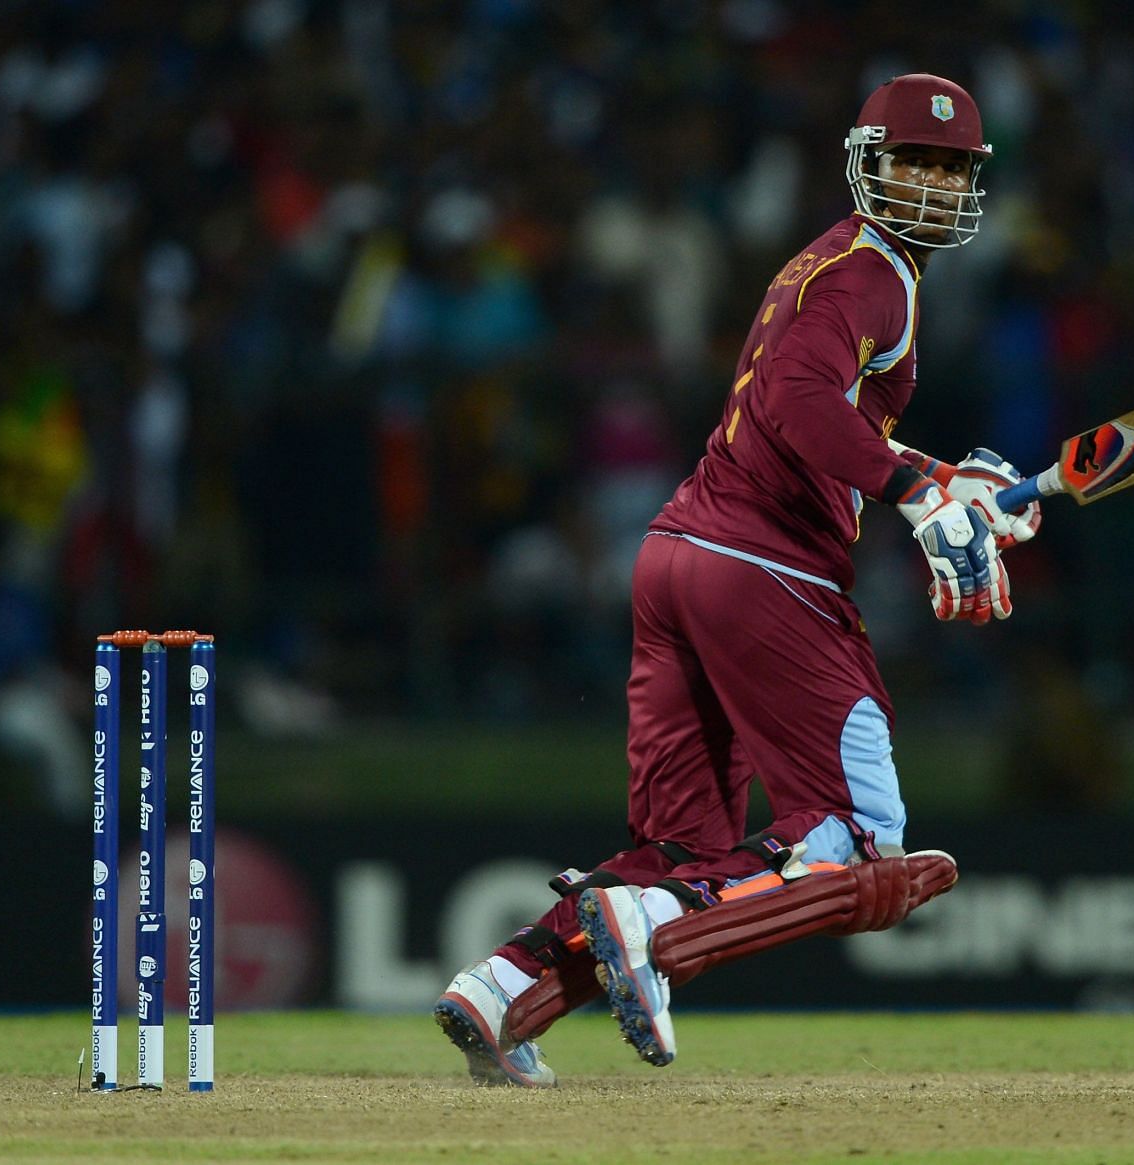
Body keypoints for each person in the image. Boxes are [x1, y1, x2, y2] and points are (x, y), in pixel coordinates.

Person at [434, 73, 1042, 1086]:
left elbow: (819, 413)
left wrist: (946, 479)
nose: (932, 186)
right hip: (767, 570)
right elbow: (798, 405)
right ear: (867, 165)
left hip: (683, 554)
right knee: (857, 840)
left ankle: (502, 990)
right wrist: (909, 488)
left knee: (683, 842)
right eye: (914, 164)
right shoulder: (874, 275)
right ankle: (656, 926)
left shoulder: (836, 264)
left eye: (951, 169)